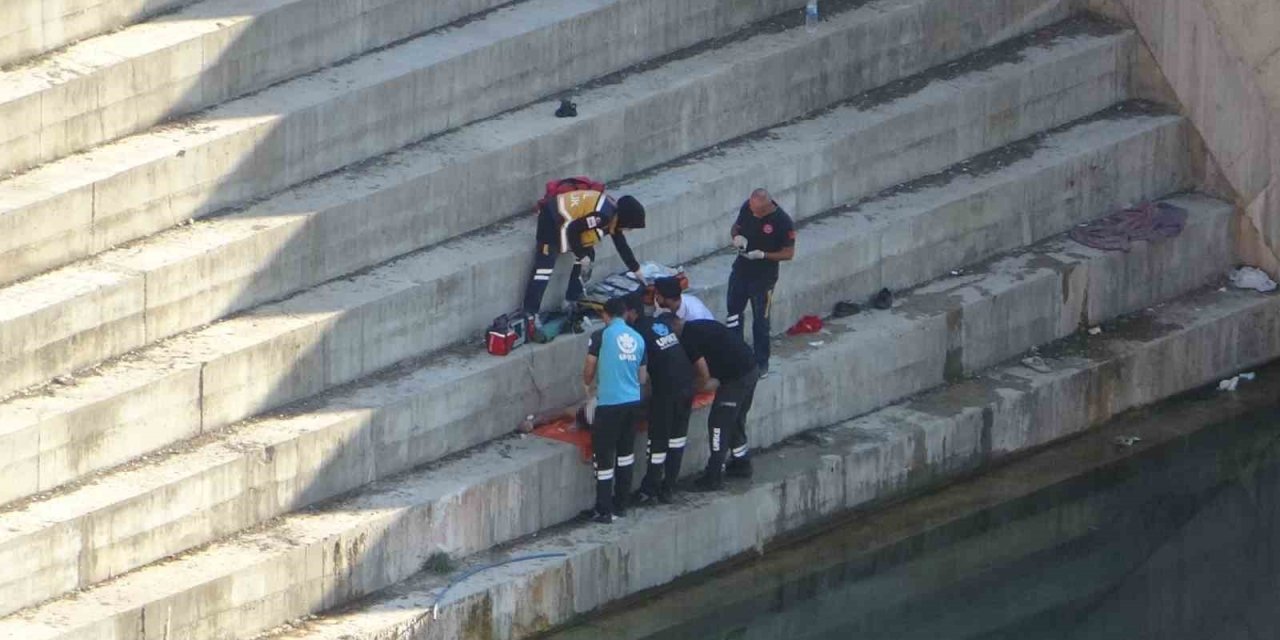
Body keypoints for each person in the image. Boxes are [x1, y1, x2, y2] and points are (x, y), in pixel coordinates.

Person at [523, 178, 647, 314]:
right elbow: (573, 229)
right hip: (551, 219)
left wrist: (636, 269)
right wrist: (581, 255)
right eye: (629, 227)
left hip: (565, 223)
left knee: (588, 256)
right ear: (625, 219)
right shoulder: (603, 216)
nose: (628, 230)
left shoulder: (613, 213)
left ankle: (571, 300)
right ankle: (530, 313)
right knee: (544, 270)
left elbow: (621, 244)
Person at [663, 315, 758, 491]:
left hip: (736, 377)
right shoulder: (698, 326)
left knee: (718, 423)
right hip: (750, 368)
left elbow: (704, 375)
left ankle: (713, 475)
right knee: (735, 419)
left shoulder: (688, 340)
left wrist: (690, 391)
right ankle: (741, 461)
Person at [622, 294, 695, 505]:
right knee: (677, 439)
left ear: (631, 312)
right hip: (687, 385)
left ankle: (649, 490)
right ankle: (668, 487)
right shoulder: (657, 324)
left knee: (658, 441)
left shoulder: (635, 334)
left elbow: (639, 375)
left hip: (668, 389)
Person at [581, 297, 648, 523]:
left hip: (610, 404)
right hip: (632, 403)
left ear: (605, 315)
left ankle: (603, 509)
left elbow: (589, 368)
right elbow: (642, 377)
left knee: (605, 456)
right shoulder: (638, 338)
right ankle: (621, 505)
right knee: (626, 455)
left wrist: (589, 387)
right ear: (625, 314)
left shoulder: (601, 336)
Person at [728, 188, 795, 377]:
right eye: (752, 208)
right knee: (733, 315)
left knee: (761, 322)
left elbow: (789, 253)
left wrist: (764, 255)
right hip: (741, 270)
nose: (754, 213)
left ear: (767, 207)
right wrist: (736, 238)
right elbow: (736, 227)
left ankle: (761, 363)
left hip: (763, 279)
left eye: (757, 211)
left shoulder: (782, 222)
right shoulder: (748, 208)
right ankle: (735, 358)